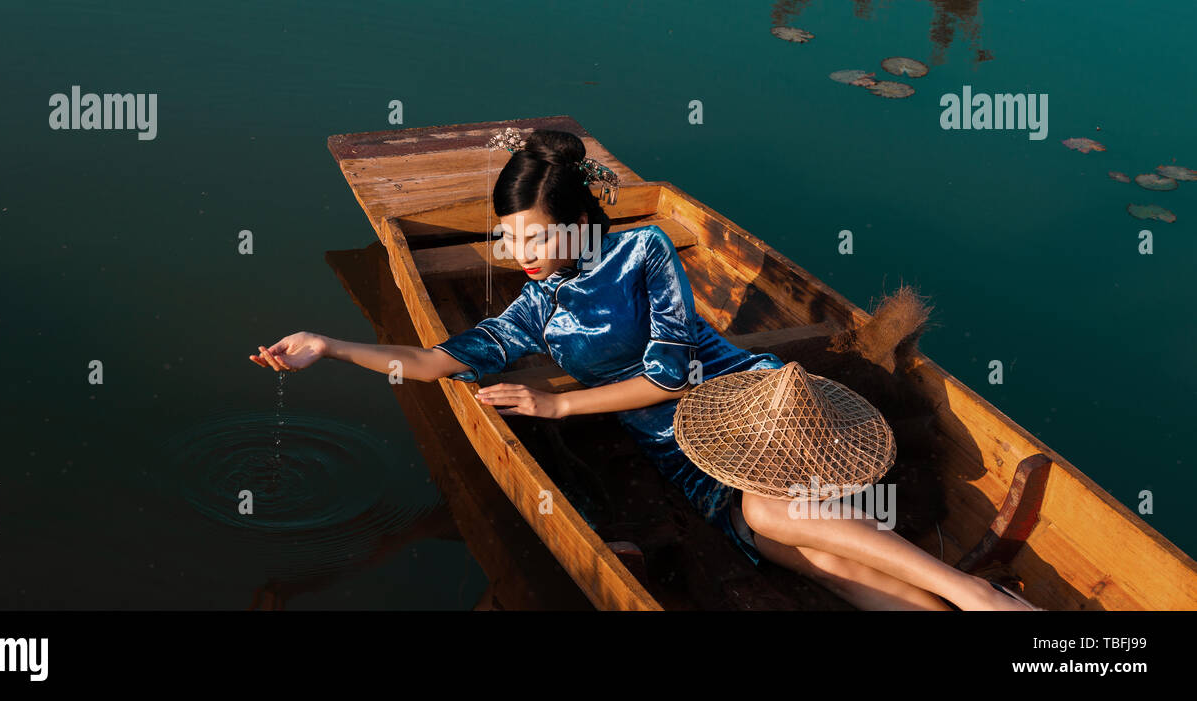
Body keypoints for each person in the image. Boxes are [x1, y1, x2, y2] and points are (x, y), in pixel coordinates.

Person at [250, 128, 1034, 610]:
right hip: (688, 459)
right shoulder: (535, 307)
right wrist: (332, 345)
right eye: (505, 237)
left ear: (576, 223)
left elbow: (668, 377)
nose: (515, 255)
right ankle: (969, 608)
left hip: (751, 414)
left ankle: (975, 596)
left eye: (530, 237)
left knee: (768, 518)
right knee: (816, 560)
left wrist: (557, 408)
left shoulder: (642, 250)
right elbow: (427, 359)